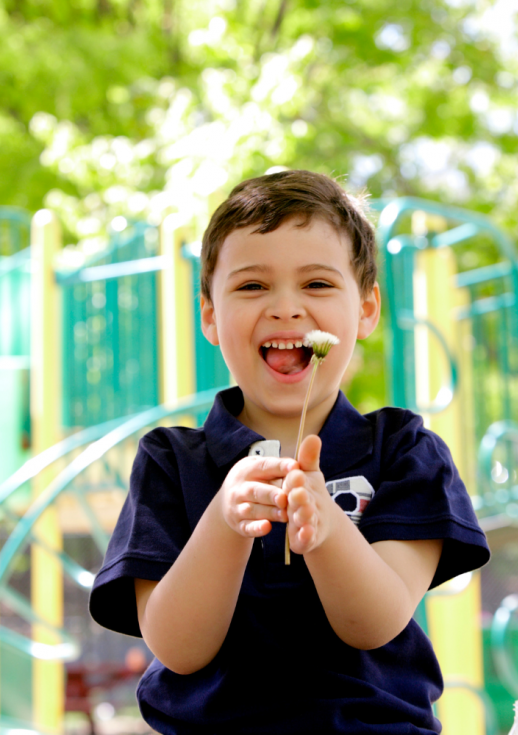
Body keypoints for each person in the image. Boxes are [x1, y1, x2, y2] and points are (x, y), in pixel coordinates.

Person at [90, 170, 490, 734]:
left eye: (318, 285)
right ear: (209, 313)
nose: (285, 308)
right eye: (253, 286)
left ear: (367, 309)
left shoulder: (406, 451)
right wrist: (225, 522)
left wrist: (327, 529)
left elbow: (376, 622)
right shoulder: (169, 461)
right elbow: (177, 648)